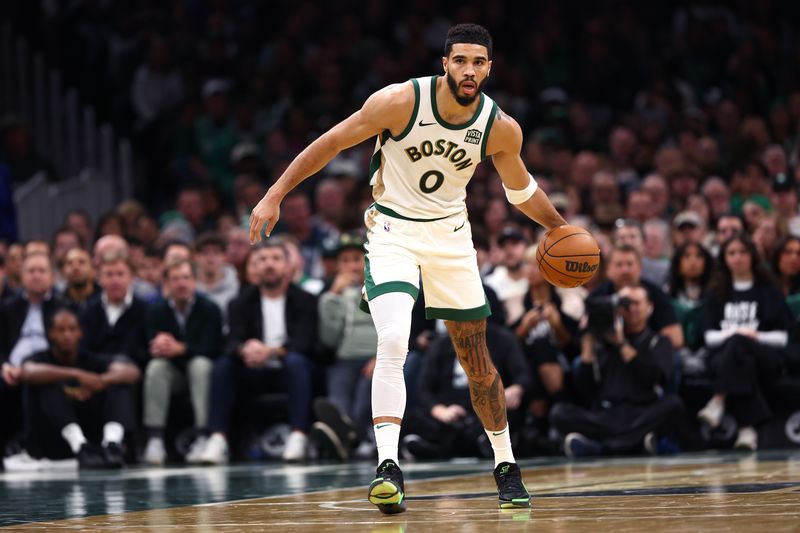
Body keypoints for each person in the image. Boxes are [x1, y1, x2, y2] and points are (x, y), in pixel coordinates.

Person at [248, 23, 567, 512]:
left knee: (476, 360)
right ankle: (388, 467)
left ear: (489, 68)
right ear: (445, 63)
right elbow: (331, 142)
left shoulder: (500, 127)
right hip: (393, 230)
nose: (469, 69)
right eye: (460, 60)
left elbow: (520, 190)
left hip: (452, 238)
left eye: (478, 62)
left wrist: (558, 227)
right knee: (394, 338)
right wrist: (274, 195)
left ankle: (505, 465)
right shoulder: (399, 101)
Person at [199, 240, 318, 464]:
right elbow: (231, 340)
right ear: (253, 267)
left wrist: (271, 351)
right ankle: (217, 438)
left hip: (289, 369)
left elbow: (305, 343)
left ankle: (298, 435)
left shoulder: (305, 300)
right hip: (253, 370)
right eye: (262, 260)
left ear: (287, 266)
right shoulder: (241, 301)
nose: (269, 265)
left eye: (275, 259)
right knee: (224, 365)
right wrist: (245, 349)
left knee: (296, 362)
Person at [550, 286, 683, 456]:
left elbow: (653, 378)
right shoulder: (603, 342)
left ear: (650, 307)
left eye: (636, 303)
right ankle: (635, 444)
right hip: (606, 415)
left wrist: (622, 344)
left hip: (641, 412)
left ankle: (602, 447)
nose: (631, 309)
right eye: (625, 304)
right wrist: (588, 346)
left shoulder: (658, 341)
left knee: (673, 404)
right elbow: (587, 390)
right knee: (559, 413)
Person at [699, 235, 792, 450]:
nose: (737, 258)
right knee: (742, 361)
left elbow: (783, 337)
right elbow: (709, 338)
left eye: (742, 252)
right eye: (732, 253)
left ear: (752, 256)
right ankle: (747, 429)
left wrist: (754, 336)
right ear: (724, 259)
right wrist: (736, 332)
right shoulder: (715, 292)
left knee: (741, 346)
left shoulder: (768, 290)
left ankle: (719, 399)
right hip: (725, 359)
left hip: (766, 357)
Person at [18, 308, 140, 468]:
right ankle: (80, 446)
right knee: (46, 382)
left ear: (80, 333)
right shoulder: (41, 358)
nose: (67, 335)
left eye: (72, 329)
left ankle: (112, 445)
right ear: (51, 334)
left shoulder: (90, 358)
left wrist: (100, 381)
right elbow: (28, 372)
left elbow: (133, 372)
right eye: (61, 330)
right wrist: (76, 375)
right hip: (54, 442)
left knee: (118, 383)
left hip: (92, 436)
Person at [142, 259, 223, 465]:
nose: (181, 284)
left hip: (201, 373)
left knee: (200, 365)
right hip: (174, 373)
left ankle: (203, 436)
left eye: (186, 278)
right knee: (156, 367)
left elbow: (213, 349)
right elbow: (144, 348)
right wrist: (157, 347)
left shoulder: (210, 309)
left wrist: (181, 348)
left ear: (195, 281)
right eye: (175, 279)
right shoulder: (156, 311)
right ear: (167, 284)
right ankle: (155, 440)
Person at [313, 233, 377, 461]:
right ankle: (345, 432)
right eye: (345, 261)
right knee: (337, 396)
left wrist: (381, 356)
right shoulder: (332, 295)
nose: (351, 266)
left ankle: (345, 437)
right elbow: (329, 338)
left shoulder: (382, 286)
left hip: (376, 357)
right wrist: (332, 296)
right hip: (345, 358)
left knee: (362, 399)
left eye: (356, 259)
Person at [589, 245, 684, 349]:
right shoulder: (598, 295)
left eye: (630, 264)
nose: (625, 270)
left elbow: (676, 339)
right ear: (608, 269)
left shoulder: (655, 294)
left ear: (640, 268)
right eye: (619, 265)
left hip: (648, 352)